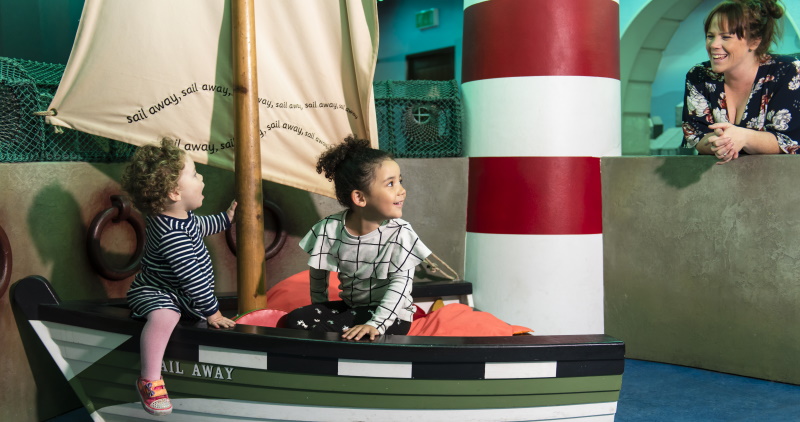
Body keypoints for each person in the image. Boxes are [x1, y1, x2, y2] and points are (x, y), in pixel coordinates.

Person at [121, 138, 237, 415]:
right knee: (165, 316)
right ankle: (149, 379)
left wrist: (227, 218)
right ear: (174, 192)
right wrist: (213, 313)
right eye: (195, 174)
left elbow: (202, 224)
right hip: (155, 292)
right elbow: (192, 278)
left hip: (178, 294)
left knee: (181, 311)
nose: (202, 178)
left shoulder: (180, 218)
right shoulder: (171, 235)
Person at [286, 135, 431, 341]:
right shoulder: (329, 228)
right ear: (360, 198)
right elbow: (318, 274)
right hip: (352, 308)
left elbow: (401, 286)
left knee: (342, 332)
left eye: (400, 181)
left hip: (392, 316)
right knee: (295, 319)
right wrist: (319, 307)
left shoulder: (401, 233)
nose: (402, 190)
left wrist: (376, 324)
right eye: (391, 184)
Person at [681, 0, 800, 164]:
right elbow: (696, 135)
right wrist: (720, 143)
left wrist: (744, 137)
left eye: (725, 37)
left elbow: (789, 140)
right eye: (710, 36)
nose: (714, 45)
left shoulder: (787, 71)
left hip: (780, 181)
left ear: (754, 41)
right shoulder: (699, 76)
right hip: (718, 181)